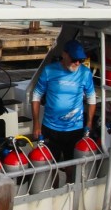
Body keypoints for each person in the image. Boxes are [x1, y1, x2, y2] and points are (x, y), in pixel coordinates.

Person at [32, 39, 97, 168]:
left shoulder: (85, 73)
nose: (77, 63)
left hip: (75, 129)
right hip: (50, 128)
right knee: (50, 166)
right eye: (74, 59)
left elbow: (91, 98)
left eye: (81, 60)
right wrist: (36, 124)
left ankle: (69, 185)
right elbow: (36, 95)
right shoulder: (49, 70)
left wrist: (89, 122)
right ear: (64, 54)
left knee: (71, 165)